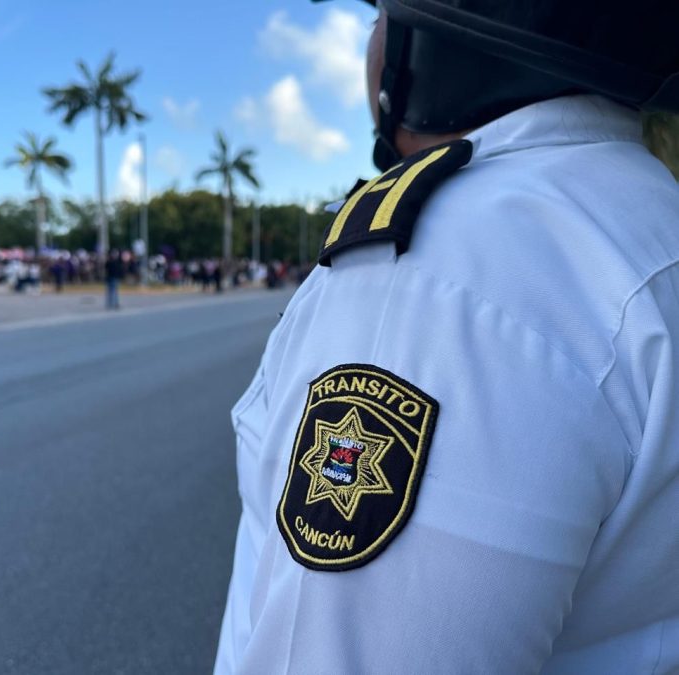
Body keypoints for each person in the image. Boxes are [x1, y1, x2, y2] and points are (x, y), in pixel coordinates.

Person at [215, 1, 679, 673]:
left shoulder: (435, 269)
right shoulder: (652, 223)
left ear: (429, 32)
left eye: (378, 13)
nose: (370, 41)